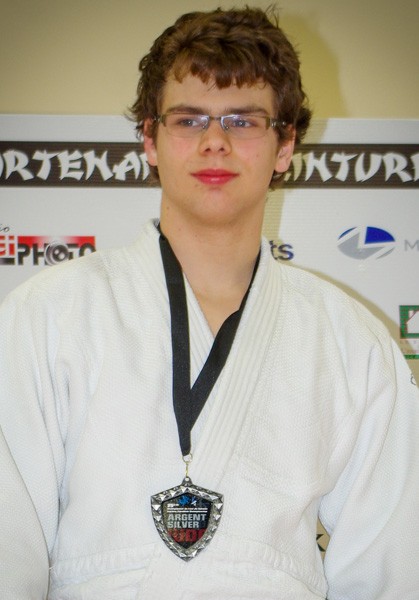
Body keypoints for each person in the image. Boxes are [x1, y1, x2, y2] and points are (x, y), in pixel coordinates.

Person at [0, 6, 418, 599]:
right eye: (189, 119)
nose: (215, 141)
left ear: (284, 145)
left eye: (244, 121)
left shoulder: (351, 341)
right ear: (150, 139)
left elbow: (389, 572)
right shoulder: (47, 316)